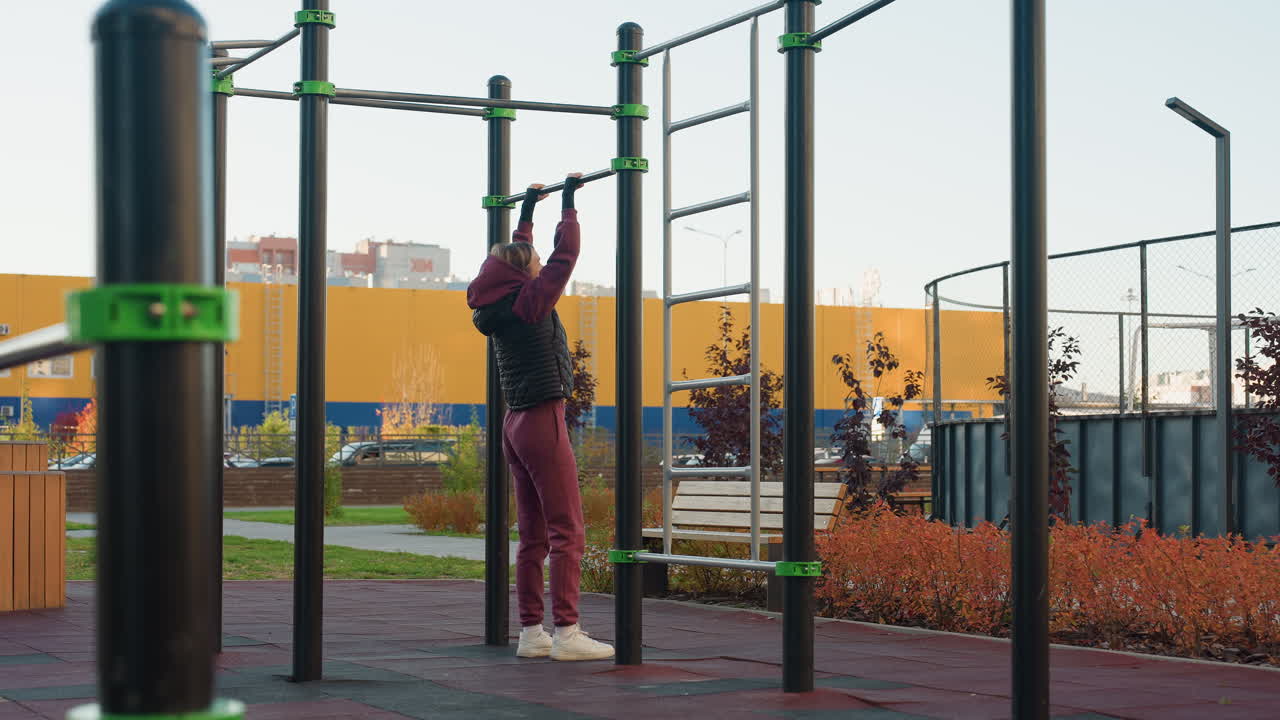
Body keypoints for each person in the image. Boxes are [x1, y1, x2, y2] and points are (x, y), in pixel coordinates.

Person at [466, 173, 614, 662]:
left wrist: (528, 211)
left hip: (515, 423)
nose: (533, 263)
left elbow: (520, 253)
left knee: (533, 534)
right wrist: (569, 205)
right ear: (524, 273)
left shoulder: (498, 302)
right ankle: (568, 632)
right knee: (567, 528)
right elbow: (562, 259)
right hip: (542, 418)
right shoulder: (531, 300)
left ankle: (532, 632)